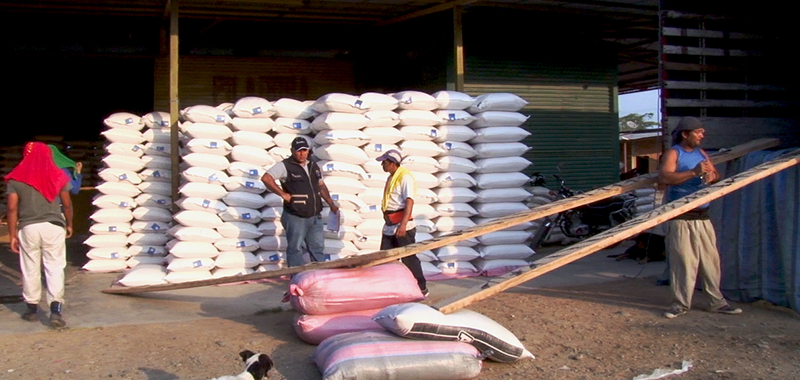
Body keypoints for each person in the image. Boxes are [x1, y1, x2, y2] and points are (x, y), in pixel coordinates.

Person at [658, 117, 742, 319]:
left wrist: (712, 176)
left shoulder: (701, 153)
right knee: (684, 263)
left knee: (711, 262)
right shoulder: (674, 153)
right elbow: (665, 177)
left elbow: (716, 174)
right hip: (681, 216)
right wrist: (693, 172)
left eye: (702, 132)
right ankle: (680, 304)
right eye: (698, 132)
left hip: (703, 216)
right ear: (685, 134)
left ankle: (717, 302)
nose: (702, 136)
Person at [5, 141, 74, 328]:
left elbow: (12, 209)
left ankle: (32, 309)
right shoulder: (59, 175)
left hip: (29, 228)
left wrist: (12, 234)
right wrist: (69, 224)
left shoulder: (16, 179)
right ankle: (56, 310)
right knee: (55, 266)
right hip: (54, 226)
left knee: (30, 267)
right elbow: (66, 204)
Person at [260, 137, 339, 268]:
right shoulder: (285, 166)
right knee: (295, 249)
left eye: (304, 150)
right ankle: (296, 278)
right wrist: (282, 194)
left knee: (317, 248)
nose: (302, 154)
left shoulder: (313, 166)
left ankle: (319, 277)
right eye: (298, 151)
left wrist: (331, 204)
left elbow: (321, 186)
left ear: (308, 151)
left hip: (315, 216)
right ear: (292, 151)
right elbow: (266, 178)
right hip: (295, 216)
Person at [376, 149, 428, 297]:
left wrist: (403, 225)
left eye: (384, 162)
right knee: (385, 258)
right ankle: (389, 290)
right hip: (389, 225)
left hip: (402, 226)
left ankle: (422, 287)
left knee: (409, 258)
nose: (382, 165)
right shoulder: (392, 177)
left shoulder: (405, 177)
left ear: (392, 163)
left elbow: (409, 201)